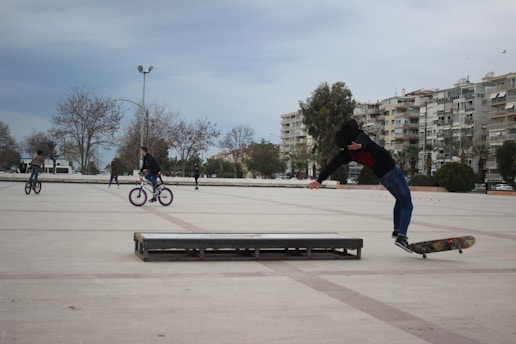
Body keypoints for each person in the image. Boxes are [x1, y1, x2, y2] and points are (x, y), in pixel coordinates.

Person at [307, 119, 413, 252]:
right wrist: (361, 145)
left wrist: (319, 180)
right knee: (407, 204)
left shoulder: (348, 153)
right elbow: (364, 140)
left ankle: (397, 231)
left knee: (400, 200)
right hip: (393, 172)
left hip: (383, 177)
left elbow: (333, 164)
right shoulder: (360, 138)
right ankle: (402, 237)